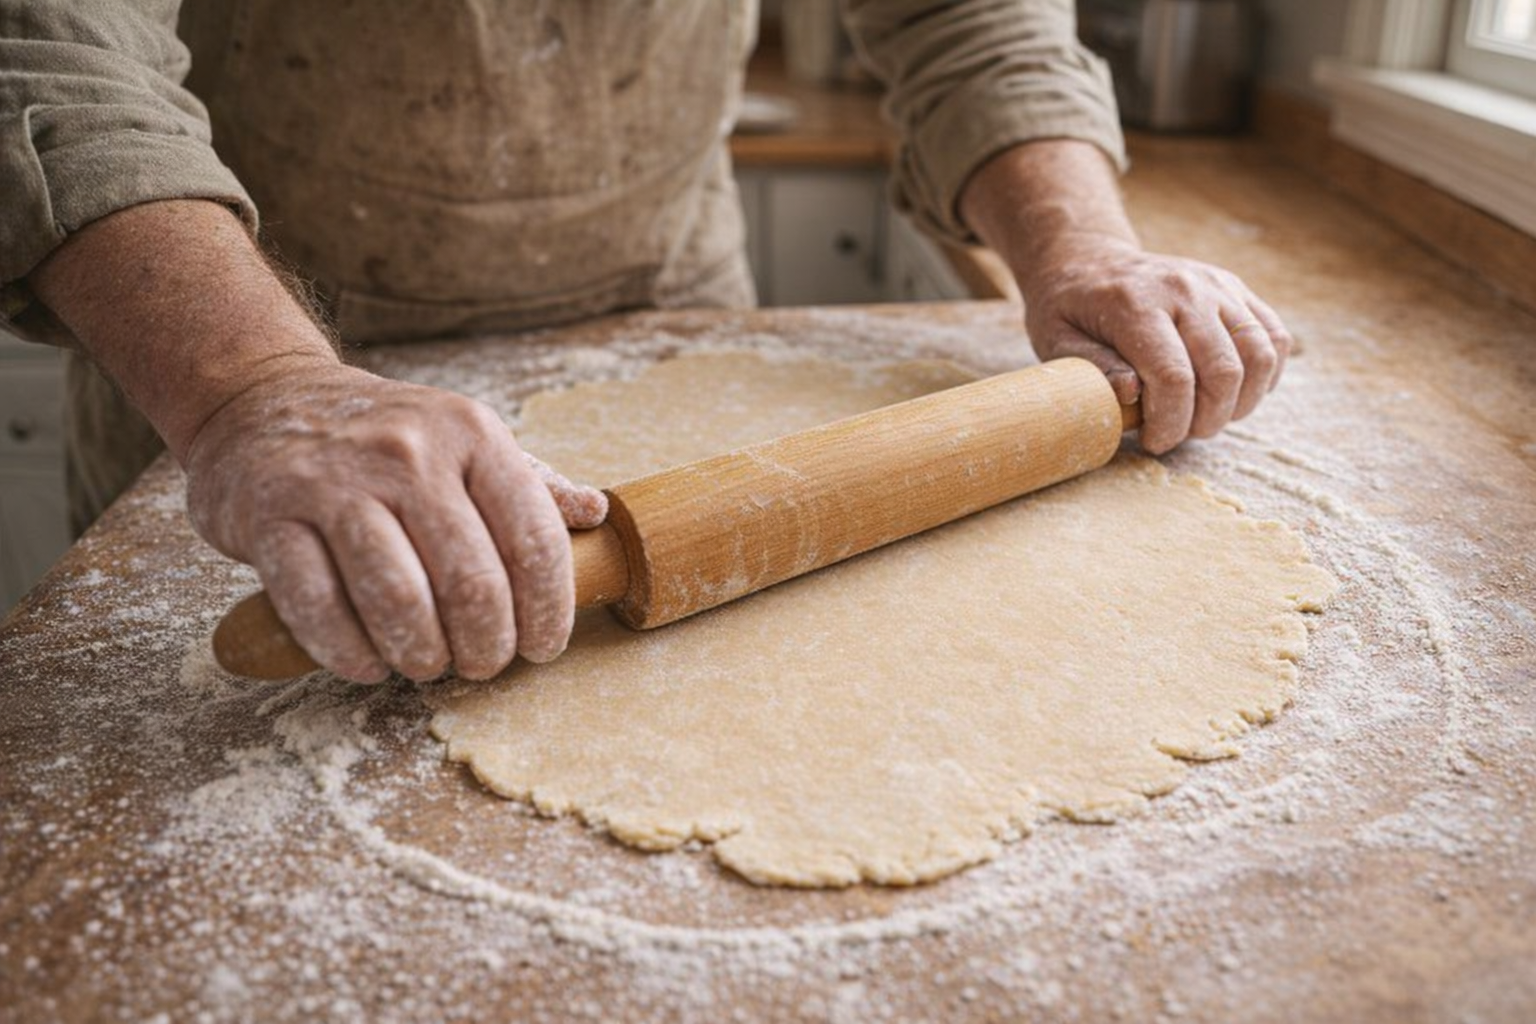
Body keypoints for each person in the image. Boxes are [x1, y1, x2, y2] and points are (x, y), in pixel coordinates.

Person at [0, 1, 1292, 684]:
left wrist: (1081, 245)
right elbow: (51, 44)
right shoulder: (253, 386)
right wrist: (257, 390)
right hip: (251, 352)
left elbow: (968, 11)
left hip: (664, 291)